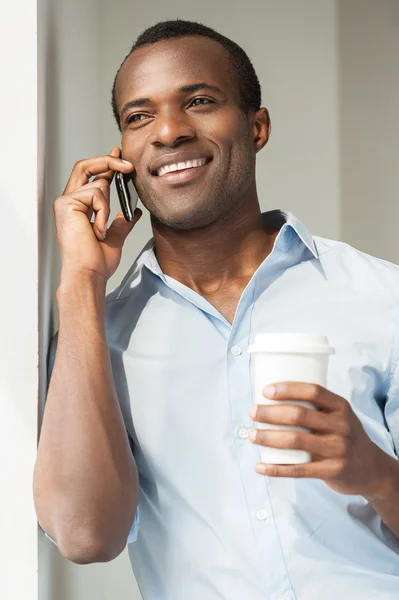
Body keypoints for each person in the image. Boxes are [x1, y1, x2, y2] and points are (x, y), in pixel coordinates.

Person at [34, 19, 399, 600]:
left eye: (199, 101)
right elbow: (84, 537)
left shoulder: (382, 300)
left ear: (257, 126)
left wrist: (374, 472)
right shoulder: (95, 339)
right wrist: (81, 280)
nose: (170, 132)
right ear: (122, 156)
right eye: (139, 116)